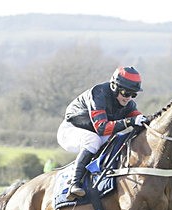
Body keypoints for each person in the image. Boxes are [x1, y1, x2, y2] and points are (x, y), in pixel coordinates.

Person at [57, 66, 149, 200]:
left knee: (118, 138)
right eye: (125, 93)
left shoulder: (128, 104)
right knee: (93, 139)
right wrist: (129, 121)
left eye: (133, 94)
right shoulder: (98, 94)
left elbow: (140, 120)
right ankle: (74, 183)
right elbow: (101, 128)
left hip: (95, 133)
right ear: (114, 87)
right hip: (70, 130)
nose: (129, 98)